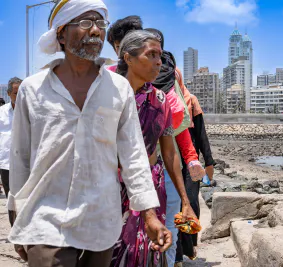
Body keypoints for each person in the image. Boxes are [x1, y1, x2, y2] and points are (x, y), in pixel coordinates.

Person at [7, 1, 171, 266]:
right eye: (84, 22)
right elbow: (20, 158)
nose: (95, 30)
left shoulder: (118, 88)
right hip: (45, 220)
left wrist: (150, 215)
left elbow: (134, 155)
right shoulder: (32, 89)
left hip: (101, 221)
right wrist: (18, 220)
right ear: (60, 33)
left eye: (100, 23)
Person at [107, 20, 203, 267]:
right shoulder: (106, 92)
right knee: (115, 251)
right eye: (152, 55)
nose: (159, 62)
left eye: (160, 55)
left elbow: (169, 151)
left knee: (151, 249)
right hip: (111, 185)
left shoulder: (160, 99)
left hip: (152, 184)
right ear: (127, 58)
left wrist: (184, 199)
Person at [175, 94, 215, 266]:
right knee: (173, 205)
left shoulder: (191, 100)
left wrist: (209, 162)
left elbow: (200, 133)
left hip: (191, 162)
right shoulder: (162, 98)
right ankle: (177, 254)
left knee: (191, 201)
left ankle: (190, 246)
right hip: (171, 159)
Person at [0, 77, 21, 225]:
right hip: (6, 163)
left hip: (26, 162)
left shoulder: (31, 112)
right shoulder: (1, 113)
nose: (19, 96)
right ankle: (15, 230)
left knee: (26, 197)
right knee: (11, 198)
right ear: (8, 94)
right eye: (15, 93)